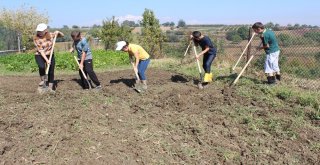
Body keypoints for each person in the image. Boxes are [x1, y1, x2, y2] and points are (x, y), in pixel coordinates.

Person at [33, 23, 64, 92]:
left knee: (51, 70)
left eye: (41, 31)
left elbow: (62, 35)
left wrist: (58, 32)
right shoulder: (36, 39)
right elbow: (41, 51)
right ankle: (43, 81)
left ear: (45, 30)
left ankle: (50, 87)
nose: (39, 32)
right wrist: (47, 60)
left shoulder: (50, 35)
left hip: (50, 55)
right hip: (39, 55)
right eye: (38, 31)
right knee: (42, 67)